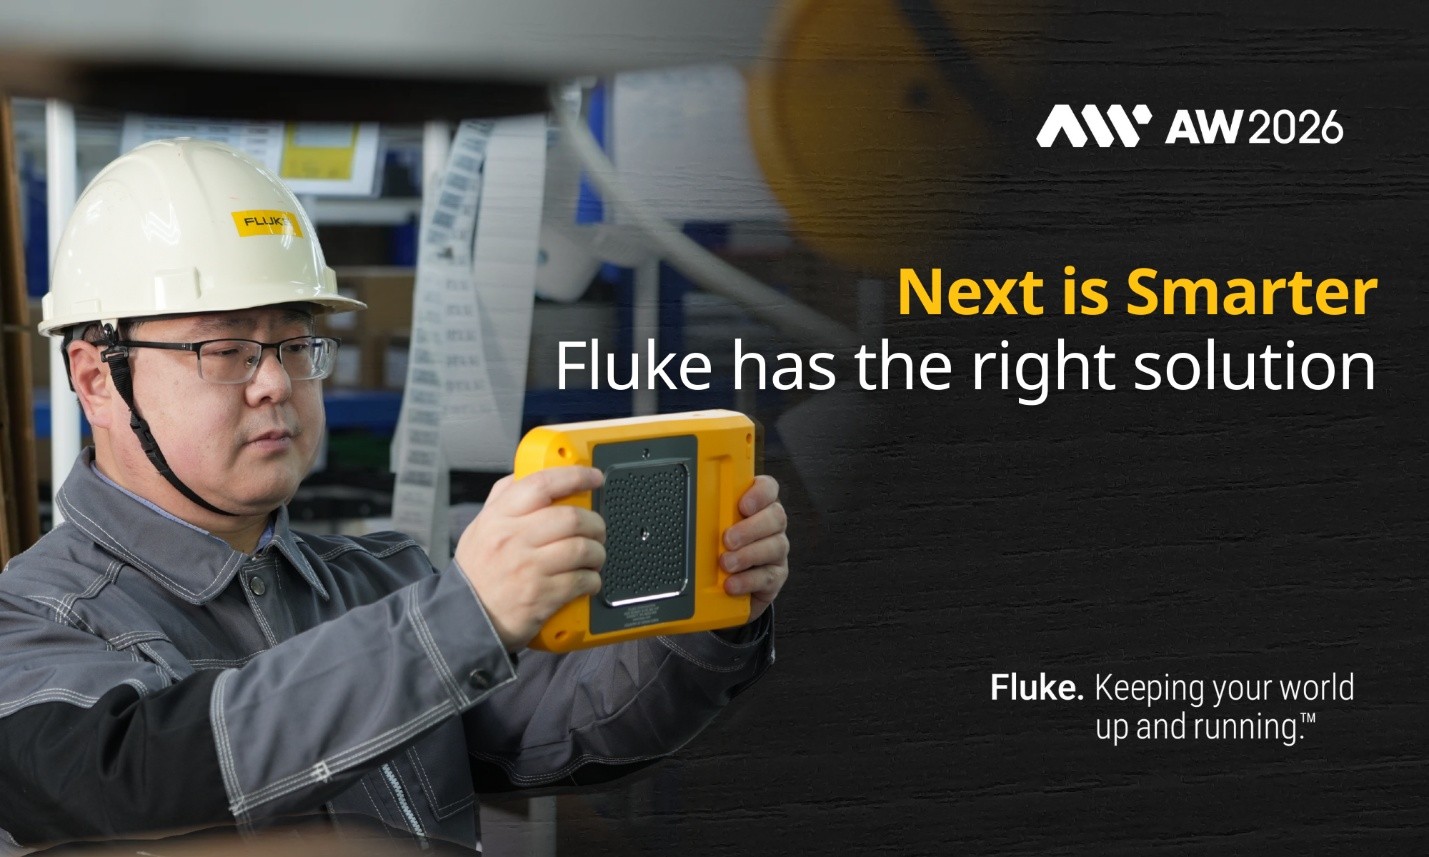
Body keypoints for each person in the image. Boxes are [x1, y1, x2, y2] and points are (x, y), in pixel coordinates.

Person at [0, 139, 787, 852]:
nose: (275, 382)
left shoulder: (382, 581)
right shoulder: (32, 621)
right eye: (227, 347)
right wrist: (465, 614)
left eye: (294, 344)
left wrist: (710, 606)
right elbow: (139, 777)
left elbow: (572, 732)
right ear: (96, 378)